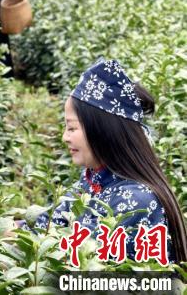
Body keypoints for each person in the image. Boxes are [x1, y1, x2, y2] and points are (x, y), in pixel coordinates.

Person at [21, 59, 186, 263]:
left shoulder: (137, 201)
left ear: (102, 131)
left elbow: (77, 264)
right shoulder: (92, 181)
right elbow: (45, 224)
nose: (65, 137)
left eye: (72, 128)